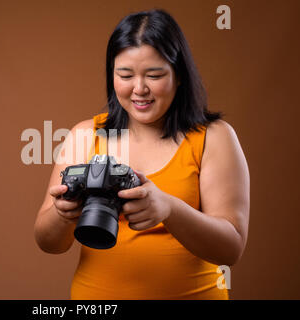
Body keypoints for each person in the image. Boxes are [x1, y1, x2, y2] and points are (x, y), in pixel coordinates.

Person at [34, 8, 250, 300]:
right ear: (112, 75)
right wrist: (63, 214)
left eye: (155, 75)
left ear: (179, 76)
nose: (139, 89)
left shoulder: (214, 137)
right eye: (125, 75)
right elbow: (49, 243)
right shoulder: (85, 136)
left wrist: (169, 209)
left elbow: (231, 248)